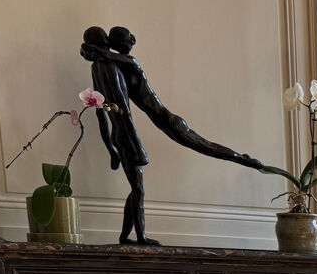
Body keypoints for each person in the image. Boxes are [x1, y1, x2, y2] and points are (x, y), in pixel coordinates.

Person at [81, 25, 267, 245]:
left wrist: (110, 147)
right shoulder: (112, 67)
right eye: (128, 38)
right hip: (144, 128)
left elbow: (103, 111)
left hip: (165, 122)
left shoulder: (123, 64)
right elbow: (105, 111)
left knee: (202, 147)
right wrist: (115, 146)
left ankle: (241, 158)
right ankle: (132, 237)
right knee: (139, 187)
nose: (133, 40)